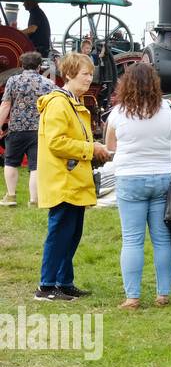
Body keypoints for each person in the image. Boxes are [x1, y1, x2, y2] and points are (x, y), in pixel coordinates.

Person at [105, 63, 171, 310]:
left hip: (130, 177)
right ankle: (163, 294)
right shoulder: (169, 109)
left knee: (132, 240)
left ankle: (133, 297)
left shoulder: (119, 112)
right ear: (155, 83)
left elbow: (110, 147)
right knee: (161, 239)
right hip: (162, 177)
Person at [35, 52, 108, 301]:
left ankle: (64, 282)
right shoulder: (58, 103)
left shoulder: (72, 101)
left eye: (90, 74)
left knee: (71, 234)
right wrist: (91, 149)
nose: (89, 79)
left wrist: (94, 147)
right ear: (69, 75)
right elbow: (57, 142)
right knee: (60, 233)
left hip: (73, 178)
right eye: (85, 74)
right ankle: (46, 286)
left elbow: (74, 139)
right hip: (62, 179)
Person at [1, 51, 56, 206]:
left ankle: (11, 197)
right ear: (39, 66)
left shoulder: (13, 80)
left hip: (16, 128)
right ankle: (34, 200)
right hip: (38, 130)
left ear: (22, 65)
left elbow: (5, 105)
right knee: (35, 166)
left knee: (11, 162)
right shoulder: (48, 84)